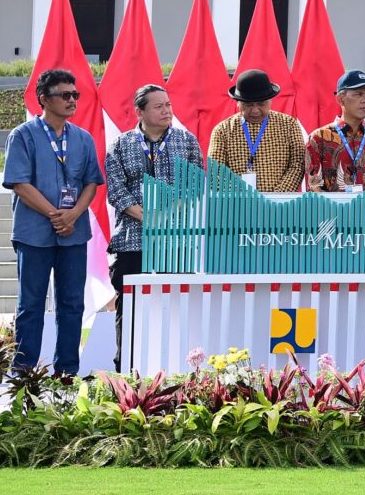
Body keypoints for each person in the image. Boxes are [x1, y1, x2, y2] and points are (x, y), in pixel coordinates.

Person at [3, 68, 104, 378]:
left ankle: (67, 373)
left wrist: (73, 214)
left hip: (73, 234)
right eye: (65, 95)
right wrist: (55, 214)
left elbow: (92, 182)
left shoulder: (82, 138)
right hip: (34, 234)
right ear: (44, 99)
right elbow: (19, 183)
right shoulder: (23, 135)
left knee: (72, 304)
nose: (72, 100)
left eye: (75, 94)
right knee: (31, 304)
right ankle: (25, 373)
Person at [102, 82, 202, 370]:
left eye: (168, 105)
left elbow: (195, 186)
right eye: (158, 106)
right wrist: (147, 217)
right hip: (133, 240)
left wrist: (170, 216)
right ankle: (126, 368)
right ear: (140, 111)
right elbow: (117, 191)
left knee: (177, 304)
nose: (166, 110)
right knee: (130, 305)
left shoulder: (187, 141)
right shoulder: (120, 145)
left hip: (177, 240)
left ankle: (179, 368)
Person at [208, 68, 306, 192]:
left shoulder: (289, 125)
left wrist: (275, 197)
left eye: (261, 104)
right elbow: (216, 173)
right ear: (237, 103)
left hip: (279, 204)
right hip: (237, 203)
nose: (255, 110)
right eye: (248, 105)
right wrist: (244, 197)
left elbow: (298, 164)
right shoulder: (222, 131)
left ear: (271, 101)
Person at [304, 69, 365, 192]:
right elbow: (313, 186)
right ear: (341, 99)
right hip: (332, 210)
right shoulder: (319, 138)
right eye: (358, 94)